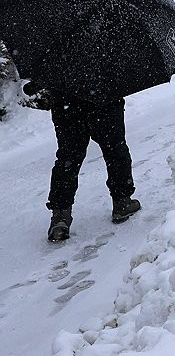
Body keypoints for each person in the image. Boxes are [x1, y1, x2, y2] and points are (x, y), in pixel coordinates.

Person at [36, 83, 141, 243]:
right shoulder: (108, 58)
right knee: (115, 150)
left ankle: (60, 216)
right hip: (104, 97)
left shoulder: (54, 59)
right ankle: (122, 202)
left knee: (68, 158)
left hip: (66, 102)